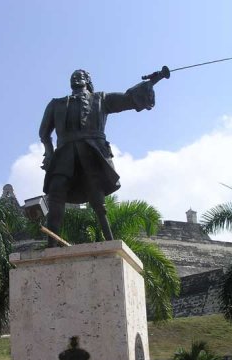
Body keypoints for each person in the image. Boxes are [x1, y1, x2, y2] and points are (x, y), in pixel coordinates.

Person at [39, 69, 155, 246]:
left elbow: (127, 99)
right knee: (55, 192)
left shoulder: (101, 99)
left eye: (81, 75)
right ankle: (50, 245)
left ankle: (110, 241)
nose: (76, 77)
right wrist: (49, 153)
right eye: (73, 76)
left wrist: (151, 82)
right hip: (64, 153)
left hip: (92, 152)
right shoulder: (56, 104)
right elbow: (44, 133)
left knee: (97, 199)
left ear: (88, 81)